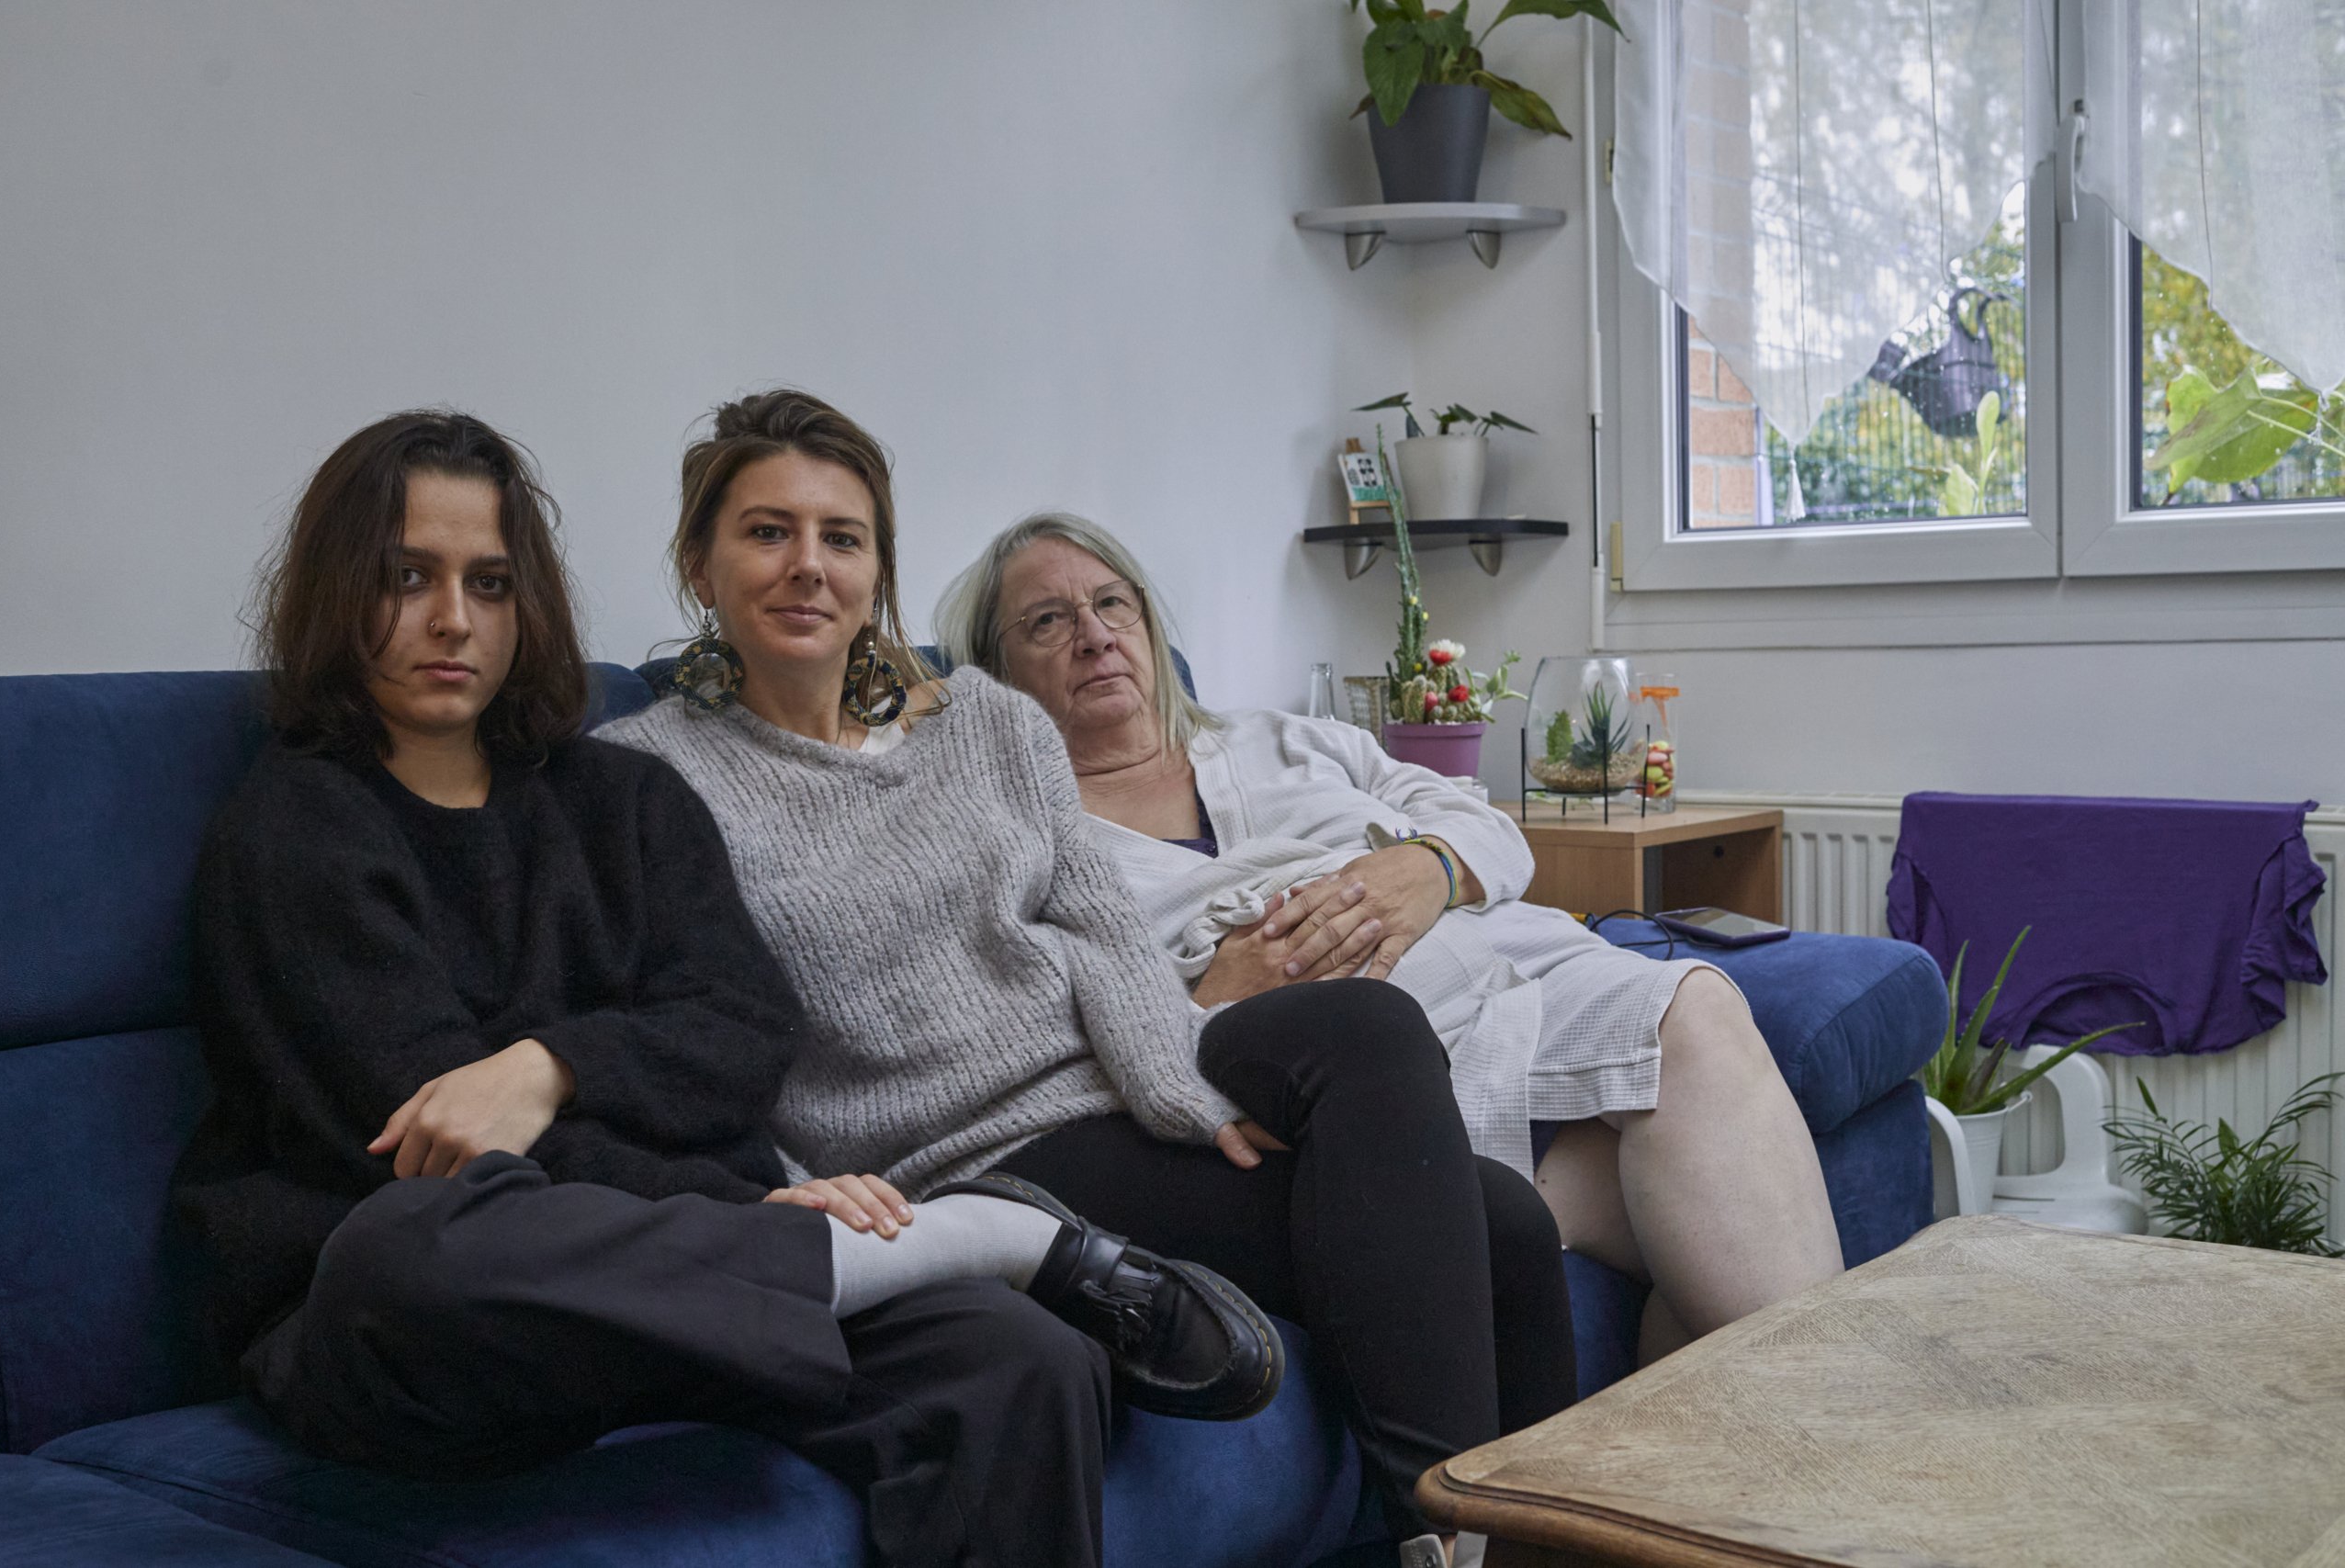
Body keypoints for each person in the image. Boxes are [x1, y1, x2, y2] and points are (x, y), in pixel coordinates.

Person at [171, 411, 1279, 1568]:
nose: (454, 620)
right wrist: (734, 1219)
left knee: (1019, 1357)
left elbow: (742, 1031)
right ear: (340, 590)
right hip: (431, 1331)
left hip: (707, 1279)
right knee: (413, 1244)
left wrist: (553, 1068)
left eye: (491, 583)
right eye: (408, 577)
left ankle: (926, 1263)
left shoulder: (624, 799)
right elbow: (433, 1141)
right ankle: (975, 1238)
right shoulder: (293, 831)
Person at [603, 389, 1573, 1568]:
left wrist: (1177, 1096)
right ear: (699, 564)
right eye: (767, 532)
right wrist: (799, 1190)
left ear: (877, 572)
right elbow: (677, 1030)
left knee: (1371, 1035)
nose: (808, 566)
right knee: (1502, 1228)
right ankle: (1445, 1543)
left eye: (841, 538)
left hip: (1111, 1086)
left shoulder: (986, 726)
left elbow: (1105, 932)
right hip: (967, 1159)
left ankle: (1492, 1548)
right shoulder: (646, 779)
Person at [938, 512, 1847, 1365]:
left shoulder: (1282, 740)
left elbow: (1483, 825)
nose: (1094, 635)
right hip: (1390, 1067)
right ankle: (1814, 1480)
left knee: (1696, 1006)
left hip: (1518, 967)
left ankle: (1727, 1503)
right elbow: (1029, 1054)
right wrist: (1204, 1001)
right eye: (1047, 622)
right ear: (993, 677)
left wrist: (1429, 870)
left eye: (1110, 605)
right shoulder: (1014, 844)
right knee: (1703, 1214)